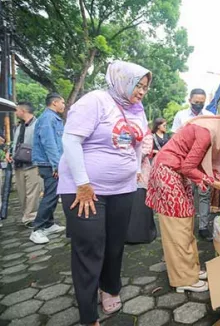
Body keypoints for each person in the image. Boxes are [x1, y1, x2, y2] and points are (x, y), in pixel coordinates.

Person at [57, 61, 151, 326]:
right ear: (121, 80)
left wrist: (134, 169)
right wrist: (83, 183)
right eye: (138, 85)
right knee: (89, 247)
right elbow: (71, 140)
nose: (142, 92)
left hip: (123, 190)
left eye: (145, 87)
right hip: (85, 191)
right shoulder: (95, 101)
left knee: (115, 244)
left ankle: (110, 287)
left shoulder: (137, 110)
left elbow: (136, 142)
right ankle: (88, 315)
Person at [146, 108, 220, 293]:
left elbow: (198, 165)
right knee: (178, 226)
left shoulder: (216, 132)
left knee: (187, 222)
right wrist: (217, 184)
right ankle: (183, 279)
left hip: (176, 173)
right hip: (167, 172)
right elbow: (189, 166)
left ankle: (190, 271)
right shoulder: (207, 132)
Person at [172, 88, 214, 241]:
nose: (199, 105)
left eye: (202, 103)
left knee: (204, 194)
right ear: (189, 100)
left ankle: (203, 227)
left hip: (203, 162)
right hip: (184, 162)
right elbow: (174, 138)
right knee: (186, 194)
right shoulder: (181, 116)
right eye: (196, 102)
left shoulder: (210, 117)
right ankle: (186, 227)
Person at [30, 92, 66, 244]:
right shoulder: (48, 119)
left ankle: (49, 224)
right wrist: (57, 166)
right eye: (62, 102)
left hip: (49, 163)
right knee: (51, 196)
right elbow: (49, 143)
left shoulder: (52, 118)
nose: (64, 105)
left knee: (52, 193)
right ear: (54, 103)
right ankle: (37, 229)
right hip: (49, 164)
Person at [6, 102, 43, 227]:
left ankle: (30, 217)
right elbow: (14, 142)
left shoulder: (38, 124)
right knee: (21, 193)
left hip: (33, 164)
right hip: (18, 164)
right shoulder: (18, 126)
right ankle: (26, 214)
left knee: (32, 193)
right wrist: (9, 152)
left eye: (17, 110)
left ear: (23, 111)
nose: (15, 113)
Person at [125, 131, 157, 244]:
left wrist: (128, 157)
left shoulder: (145, 132)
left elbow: (146, 150)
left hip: (141, 171)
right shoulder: (122, 127)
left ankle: (142, 234)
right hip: (124, 172)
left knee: (141, 200)